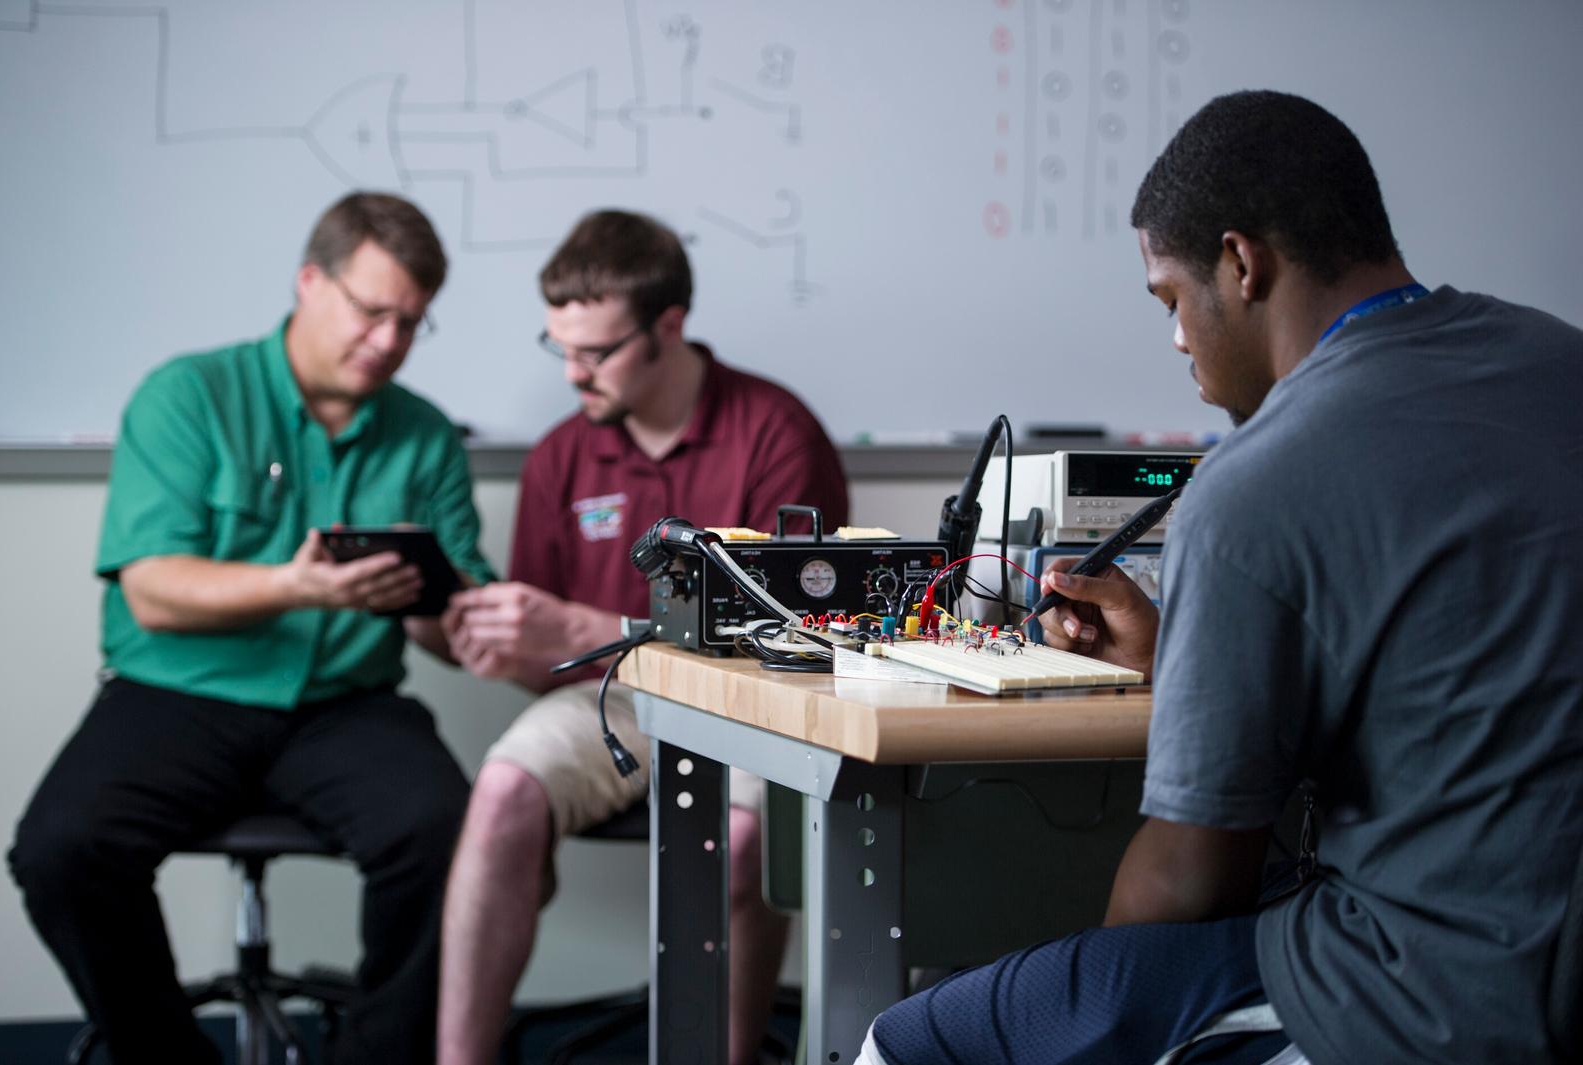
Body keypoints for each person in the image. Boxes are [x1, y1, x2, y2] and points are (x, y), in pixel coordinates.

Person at [858, 90, 1583, 1065]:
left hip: (1431, 998)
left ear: (1241, 265)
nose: (1176, 340)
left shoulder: (1255, 483)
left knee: (912, 1037)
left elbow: (1191, 881)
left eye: (1168, 299)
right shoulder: (1556, 360)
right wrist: (1182, 655)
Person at [8, 192, 495, 1064]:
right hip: (177, 692)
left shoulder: (424, 434)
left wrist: (455, 608)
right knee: (60, 848)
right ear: (312, 282)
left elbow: (445, 622)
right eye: (372, 311)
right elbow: (153, 589)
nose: (388, 341)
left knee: (448, 831)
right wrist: (295, 585)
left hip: (345, 704)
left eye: (412, 323)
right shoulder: (188, 394)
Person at [436, 209, 848, 1065]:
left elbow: (795, 639)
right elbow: (553, 665)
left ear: (669, 325)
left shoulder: (776, 433)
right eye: (561, 349)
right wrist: (513, 648)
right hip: (608, 700)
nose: (574, 373)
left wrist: (594, 628)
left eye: (597, 352)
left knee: (741, 843)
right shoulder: (561, 454)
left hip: (751, 702)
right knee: (500, 796)